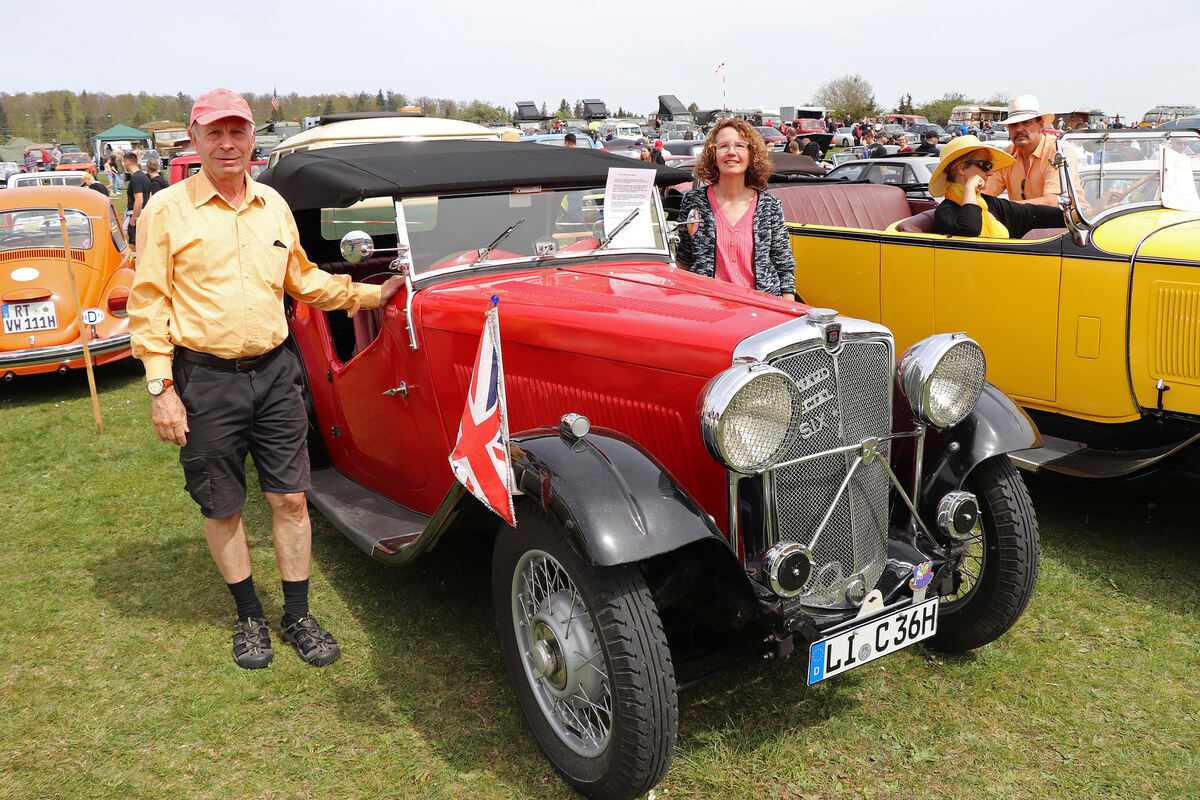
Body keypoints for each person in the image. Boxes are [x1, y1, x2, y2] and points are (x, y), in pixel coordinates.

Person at [127, 88, 405, 670]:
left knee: (291, 497)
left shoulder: (273, 205)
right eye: (215, 133)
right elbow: (149, 305)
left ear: (254, 139)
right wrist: (161, 390)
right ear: (195, 139)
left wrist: (369, 293)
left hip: (277, 374)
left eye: (238, 132)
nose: (228, 144)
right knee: (223, 505)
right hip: (204, 380)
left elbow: (302, 279)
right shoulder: (166, 211)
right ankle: (250, 616)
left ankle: (297, 614)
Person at [674, 118, 796, 300]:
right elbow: (683, 261)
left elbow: (784, 268)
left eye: (740, 146)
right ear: (712, 155)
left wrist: (787, 311)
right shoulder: (693, 201)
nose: (731, 153)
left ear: (751, 155)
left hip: (761, 311)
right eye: (723, 146)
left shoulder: (769, 206)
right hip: (710, 312)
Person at [930, 135, 1064, 239]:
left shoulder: (988, 203)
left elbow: (1030, 213)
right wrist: (970, 188)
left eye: (991, 166)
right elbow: (971, 228)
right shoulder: (945, 212)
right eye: (985, 165)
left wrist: (1077, 216)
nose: (990, 173)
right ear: (962, 169)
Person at [982, 95, 1061, 206]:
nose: (1019, 129)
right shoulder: (1007, 155)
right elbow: (986, 194)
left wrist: (1004, 209)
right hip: (1022, 222)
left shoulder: (1057, 151)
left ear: (1041, 125)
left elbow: (1052, 202)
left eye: (1026, 122)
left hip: (1065, 222)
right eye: (1014, 125)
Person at [123, 151, 152, 247]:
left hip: (136, 216)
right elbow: (150, 196)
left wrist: (132, 220)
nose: (123, 165)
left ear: (127, 162)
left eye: (123, 162)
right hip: (144, 215)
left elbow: (139, 200)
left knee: (134, 246)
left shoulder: (135, 178)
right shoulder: (145, 177)